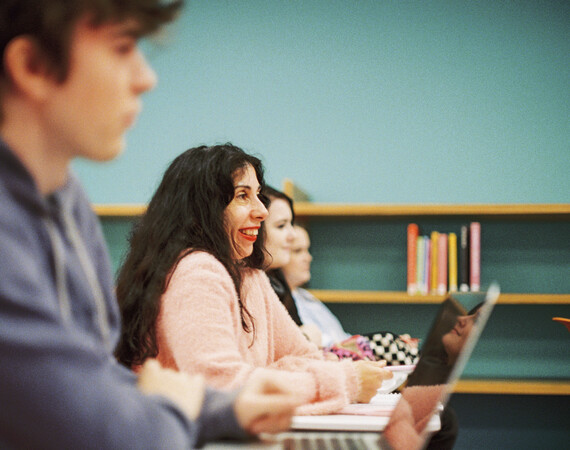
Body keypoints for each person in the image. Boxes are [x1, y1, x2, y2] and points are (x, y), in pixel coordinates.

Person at [0, 2, 303, 448]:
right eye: (123, 48)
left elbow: (96, 380)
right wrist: (179, 406)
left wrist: (221, 408)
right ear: (33, 66)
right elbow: (82, 420)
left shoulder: (66, 197)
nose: (146, 78)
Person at [116, 144, 393, 416]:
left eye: (258, 195)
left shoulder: (249, 275)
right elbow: (223, 389)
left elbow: (306, 356)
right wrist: (345, 381)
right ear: (202, 209)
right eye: (242, 196)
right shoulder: (196, 271)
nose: (262, 211)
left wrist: (263, 376)